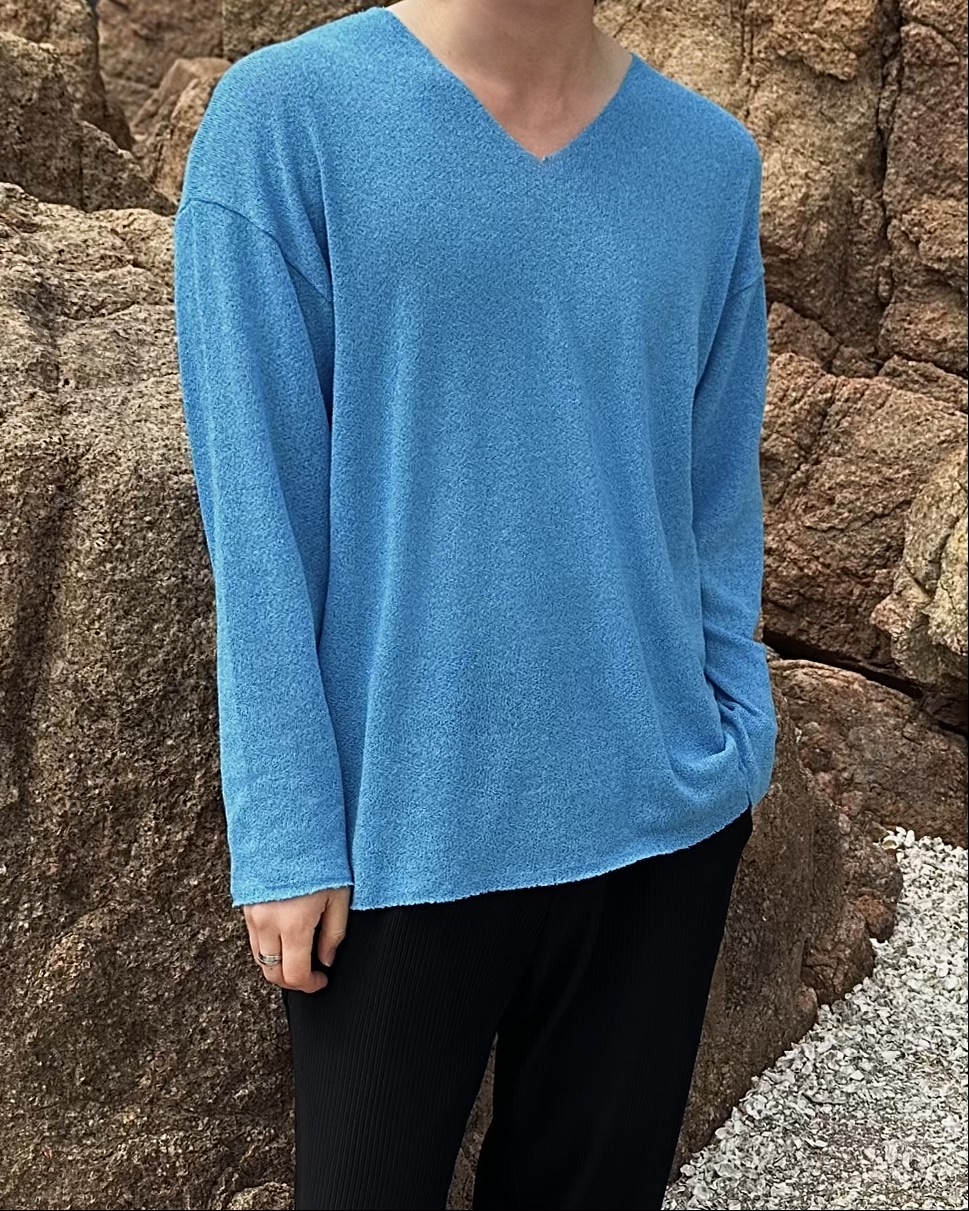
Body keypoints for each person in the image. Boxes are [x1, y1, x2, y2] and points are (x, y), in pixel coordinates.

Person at [172, 1, 778, 1207]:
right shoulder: (287, 120)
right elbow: (258, 510)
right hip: (401, 834)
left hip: (661, 819)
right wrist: (286, 824)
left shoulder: (710, 164)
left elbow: (716, 489)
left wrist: (734, 722)